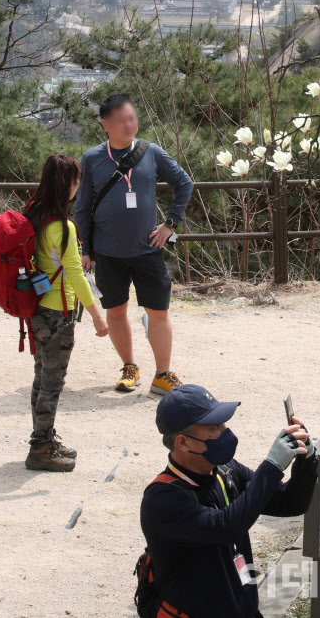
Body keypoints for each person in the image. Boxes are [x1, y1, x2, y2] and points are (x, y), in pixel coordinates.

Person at [140, 384, 318, 618]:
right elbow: (226, 527)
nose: (225, 432)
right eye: (214, 427)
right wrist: (272, 466)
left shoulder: (225, 471)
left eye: (223, 423)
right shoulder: (162, 500)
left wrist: (307, 460)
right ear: (183, 443)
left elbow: (289, 503)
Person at [74, 94, 194, 396]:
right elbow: (82, 206)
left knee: (159, 313)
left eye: (132, 118)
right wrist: (84, 249)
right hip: (108, 252)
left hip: (147, 249)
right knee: (115, 312)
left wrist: (170, 224)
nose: (129, 125)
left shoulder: (150, 152)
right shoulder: (92, 158)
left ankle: (163, 375)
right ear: (105, 125)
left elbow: (184, 183)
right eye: (121, 120)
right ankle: (129, 367)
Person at [24, 153, 109, 472]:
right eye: (76, 180)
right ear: (67, 184)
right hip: (58, 313)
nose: (78, 186)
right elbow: (74, 271)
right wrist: (97, 315)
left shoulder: (34, 214)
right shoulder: (63, 226)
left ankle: (43, 438)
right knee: (52, 382)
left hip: (37, 309)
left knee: (41, 377)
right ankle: (41, 448)